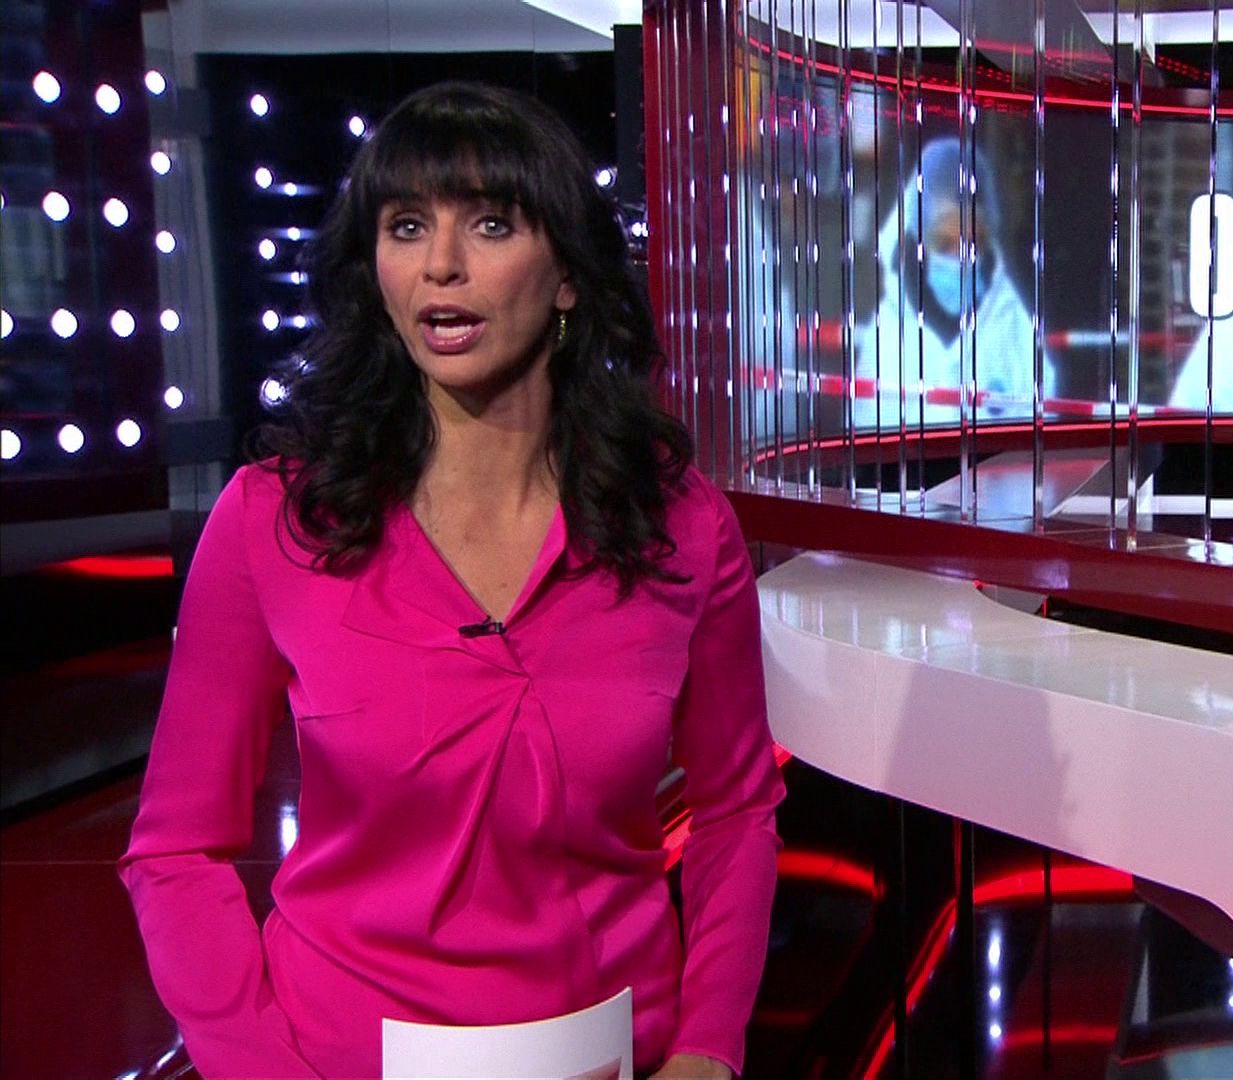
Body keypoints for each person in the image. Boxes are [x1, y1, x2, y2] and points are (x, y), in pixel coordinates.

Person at [117, 82, 783, 1080]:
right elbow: (175, 851)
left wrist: (707, 1049)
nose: (441, 264)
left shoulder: (681, 524)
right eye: (406, 226)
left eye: (490, 223)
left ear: (568, 274)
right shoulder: (274, 520)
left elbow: (735, 811)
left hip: (618, 1056)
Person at [850, 136, 1057, 431]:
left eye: (972, 243)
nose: (960, 258)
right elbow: (867, 437)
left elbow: (1042, 439)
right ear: (921, 243)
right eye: (946, 244)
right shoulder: (888, 338)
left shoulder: (1017, 332)